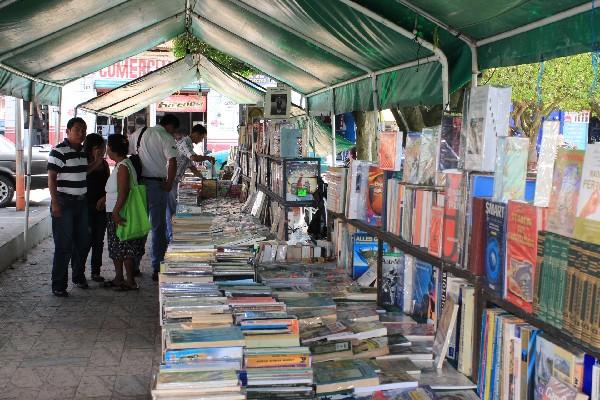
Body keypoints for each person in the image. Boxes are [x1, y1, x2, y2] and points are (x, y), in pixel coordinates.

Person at [129, 114, 179, 281]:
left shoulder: (139, 133)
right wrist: (169, 183)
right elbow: (172, 162)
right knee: (158, 227)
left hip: (138, 185)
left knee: (140, 226)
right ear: (170, 126)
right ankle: (157, 266)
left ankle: (134, 265)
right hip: (157, 186)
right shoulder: (165, 136)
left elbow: (129, 154)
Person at [47, 117, 89, 297]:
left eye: (83, 130)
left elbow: (84, 172)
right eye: (77, 130)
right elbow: (51, 178)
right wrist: (55, 203)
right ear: (68, 131)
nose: (81, 133)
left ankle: (78, 277)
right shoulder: (58, 151)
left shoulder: (83, 152)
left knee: (82, 243)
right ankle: (58, 285)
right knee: (63, 246)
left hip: (81, 202)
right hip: (64, 203)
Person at [104, 134, 145, 290]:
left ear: (111, 149)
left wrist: (115, 211)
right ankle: (119, 278)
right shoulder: (122, 164)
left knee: (124, 245)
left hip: (121, 212)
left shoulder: (123, 166)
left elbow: (124, 191)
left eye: (108, 146)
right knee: (117, 246)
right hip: (117, 210)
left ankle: (130, 281)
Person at [166, 124, 214, 241]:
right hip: (171, 178)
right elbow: (193, 158)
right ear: (197, 134)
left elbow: (191, 167)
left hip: (174, 179)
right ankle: (171, 236)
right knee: (171, 209)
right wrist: (207, 158)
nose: (201, 140)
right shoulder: (185, 143)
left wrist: (204, 180)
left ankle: (171, 234)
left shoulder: (187, 144)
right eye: (202, 137)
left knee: (172, 207)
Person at [83, 134, 110, 283]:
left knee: (98, 241)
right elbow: (82, 174)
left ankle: (95, 271)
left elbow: (109, 184)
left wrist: (105, 198)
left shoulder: (105, 165)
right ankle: (79, 271)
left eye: (103, 147)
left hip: (101, 207)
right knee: (85, 240)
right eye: (97, 148)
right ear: (90, 149)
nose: (101, 150)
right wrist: (96, 162)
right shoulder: (84, 162)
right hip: (86, 207)